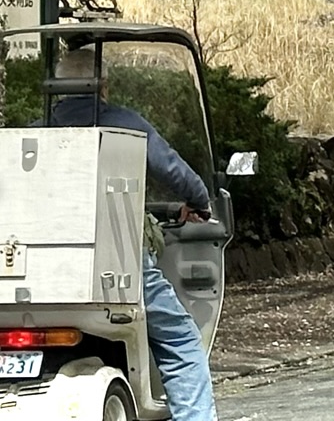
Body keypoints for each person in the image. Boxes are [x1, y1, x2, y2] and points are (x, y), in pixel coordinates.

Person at [50, 42, 218, 421]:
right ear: (102, 85)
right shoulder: (123, 123)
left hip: (44, 275)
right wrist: (199, 200)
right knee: (180, 340)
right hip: (114, 264)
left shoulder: (40, 128)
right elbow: (172, 169)